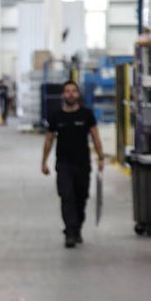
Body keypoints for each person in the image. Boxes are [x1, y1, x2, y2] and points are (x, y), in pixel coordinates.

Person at [41, 80, 105, 248]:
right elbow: (48, 139)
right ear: (63, 95)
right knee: (66, 197)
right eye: (67, 91)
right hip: (63, 164)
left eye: (73, 91)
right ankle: (70, 232)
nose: (70, 94)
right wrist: (44, 162)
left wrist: (101, 158)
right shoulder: (56, 116)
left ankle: (77, 229)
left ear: (78, 94)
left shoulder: (86, 114)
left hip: (83, 164)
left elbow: (95, 137)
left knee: (81, 198)